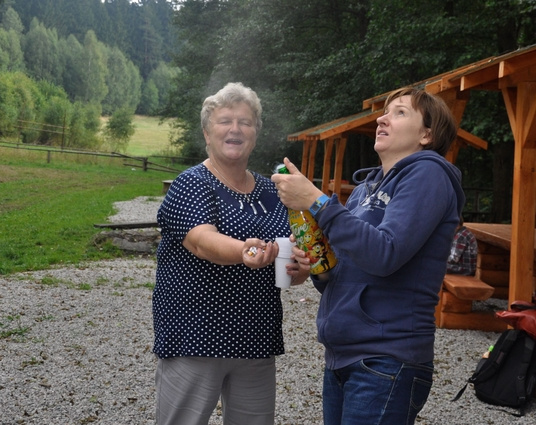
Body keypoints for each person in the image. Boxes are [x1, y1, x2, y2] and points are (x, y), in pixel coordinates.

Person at [271, 87, 465, 425]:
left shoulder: (429, 174)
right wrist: (317, 264)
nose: (382, 119)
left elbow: (384, 254)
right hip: (342, 356)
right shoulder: (364, 191)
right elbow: (343, 274)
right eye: (385, 112)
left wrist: (317, 202)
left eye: (400, 112)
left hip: (387, 358)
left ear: (426, 135)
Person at [153, 82, 310, 425]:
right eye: (225, 121)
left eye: (245, 122)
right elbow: (201, 240)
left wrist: (299, 269)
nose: (235, 129)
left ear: (255, 134)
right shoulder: (191, 183)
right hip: (196, 335)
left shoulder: (272, 190)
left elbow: (290, 251)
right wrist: (244, 251)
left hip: (257, 338)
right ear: (207, 133)